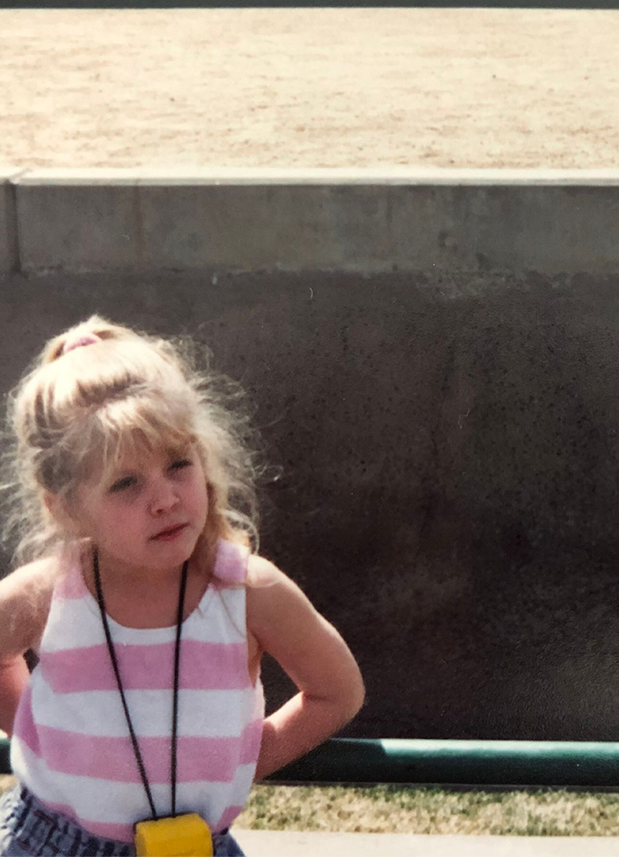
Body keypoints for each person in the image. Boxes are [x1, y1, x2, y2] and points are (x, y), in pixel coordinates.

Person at [0, 317, 365, 856]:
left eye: (178, 464)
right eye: (126, 483)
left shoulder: (248, 591)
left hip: (192, 846)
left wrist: (234, 764)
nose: (165, 498)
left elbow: (337, 692)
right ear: (67, 507)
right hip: (56, 842)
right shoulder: (48, 592)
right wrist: (46, 737)